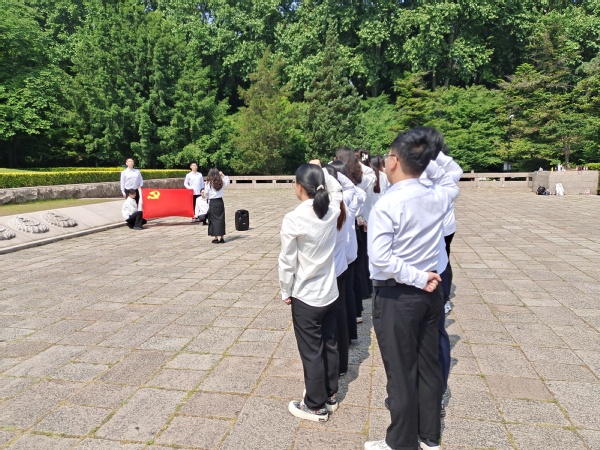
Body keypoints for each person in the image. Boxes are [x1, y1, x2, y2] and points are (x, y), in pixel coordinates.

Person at [364, 127, 461, 450]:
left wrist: (417, 278)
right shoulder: (438, 195)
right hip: (431, 292)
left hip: (398, 295)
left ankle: (400, 442)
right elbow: (452, 173)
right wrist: (429, 156)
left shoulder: (388, 204)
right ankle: (428, 437)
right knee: (428, 365)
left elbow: (380, 258)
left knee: (401, 371)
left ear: (393, 161)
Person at [279, 161, 343, 423]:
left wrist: (285, 289)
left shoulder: (294, 218)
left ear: (298, 186)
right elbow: (337, 190)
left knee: (311, 351)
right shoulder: (332, 211)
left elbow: (287, 261)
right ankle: (330, 395)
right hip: (330, 291)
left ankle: (315, 405)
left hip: (306, 294)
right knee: (329, 343)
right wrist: (322, 170)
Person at [204, 168, 230, 243]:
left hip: (213, 202)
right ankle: (221, 237)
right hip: (219, 201)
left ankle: (215, 237)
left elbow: (206, 193)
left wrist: (207, 198)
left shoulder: (208, 183)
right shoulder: (221, 182)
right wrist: (222, 174)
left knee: (213, 219)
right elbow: (227, 180)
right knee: (221, 219)